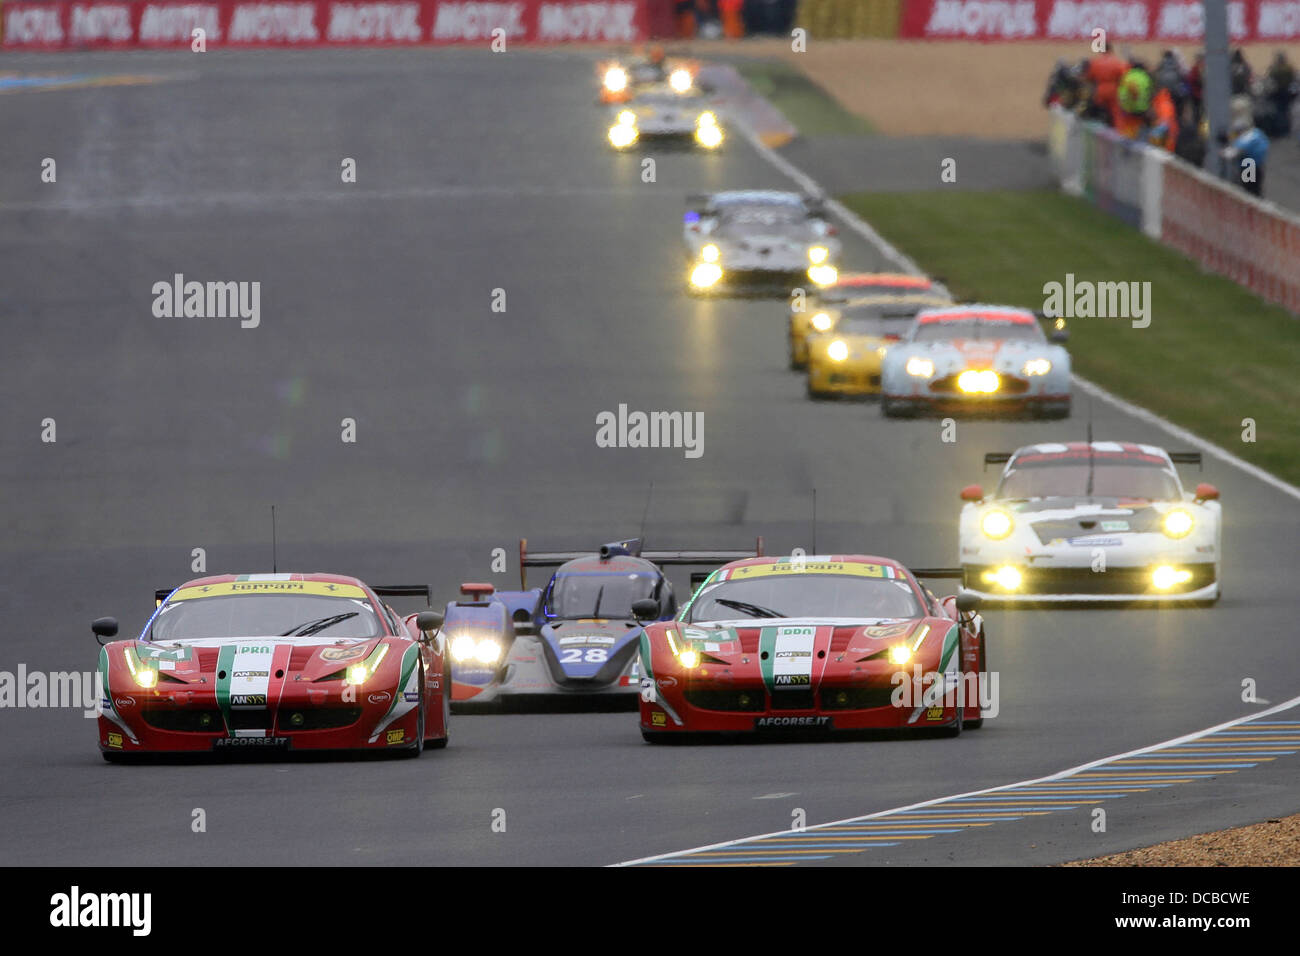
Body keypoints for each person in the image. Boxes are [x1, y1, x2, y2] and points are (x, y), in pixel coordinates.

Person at [1221, 117, 1269, 197]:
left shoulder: (1248, 137)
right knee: (1256, 188)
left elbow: (1235, 152)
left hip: (1249, 166)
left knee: (1249, 191)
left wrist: (1225, 153)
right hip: (1257, 165)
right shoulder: (1257, 133)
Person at [1085, 42, 1128, 124]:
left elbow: (1089, 77)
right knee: (1116, 114)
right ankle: (1118, 133)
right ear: (1110, 50)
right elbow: (1124, 76)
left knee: (1099, 112)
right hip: (1113, 90)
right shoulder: (1117, 62)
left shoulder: (1095, 62)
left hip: (1100, 90)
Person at [1114, 60, 1154, 138]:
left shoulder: (1127, 76)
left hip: (1127, 108)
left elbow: (1120, 92)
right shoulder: (1145, 76)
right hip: (1142, 108)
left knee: (1129, 130)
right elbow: (1150, 93)